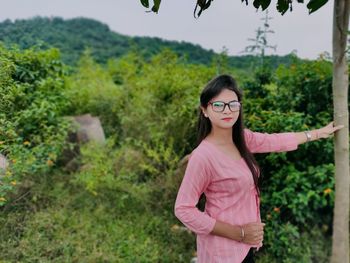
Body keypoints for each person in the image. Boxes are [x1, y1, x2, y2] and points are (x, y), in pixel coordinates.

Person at [174, 74, 344, 263]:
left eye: (233, 104)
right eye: (218, 105)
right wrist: (239, 233)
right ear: (205, 110)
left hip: (245, 248)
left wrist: (318, 133)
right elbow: (183, 209)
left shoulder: (242, 140)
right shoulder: (203, 156)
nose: (227, 111)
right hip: (222, 252)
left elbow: (275, 141)